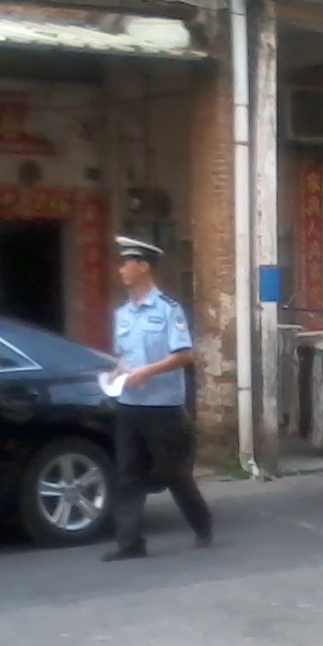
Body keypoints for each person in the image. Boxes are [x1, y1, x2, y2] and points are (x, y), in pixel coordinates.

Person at [103, 236, 213, 562]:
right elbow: (124, 356)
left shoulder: (168, 310)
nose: (121, 269)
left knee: (172, 473)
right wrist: (117, 372)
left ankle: (202, 523)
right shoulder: (122, 314)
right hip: (130, 405)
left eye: (126, 263)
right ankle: (130, 543)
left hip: (163, 407)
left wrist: (147, 372)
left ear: (143, 267)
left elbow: (184, 355)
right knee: (128, 475)